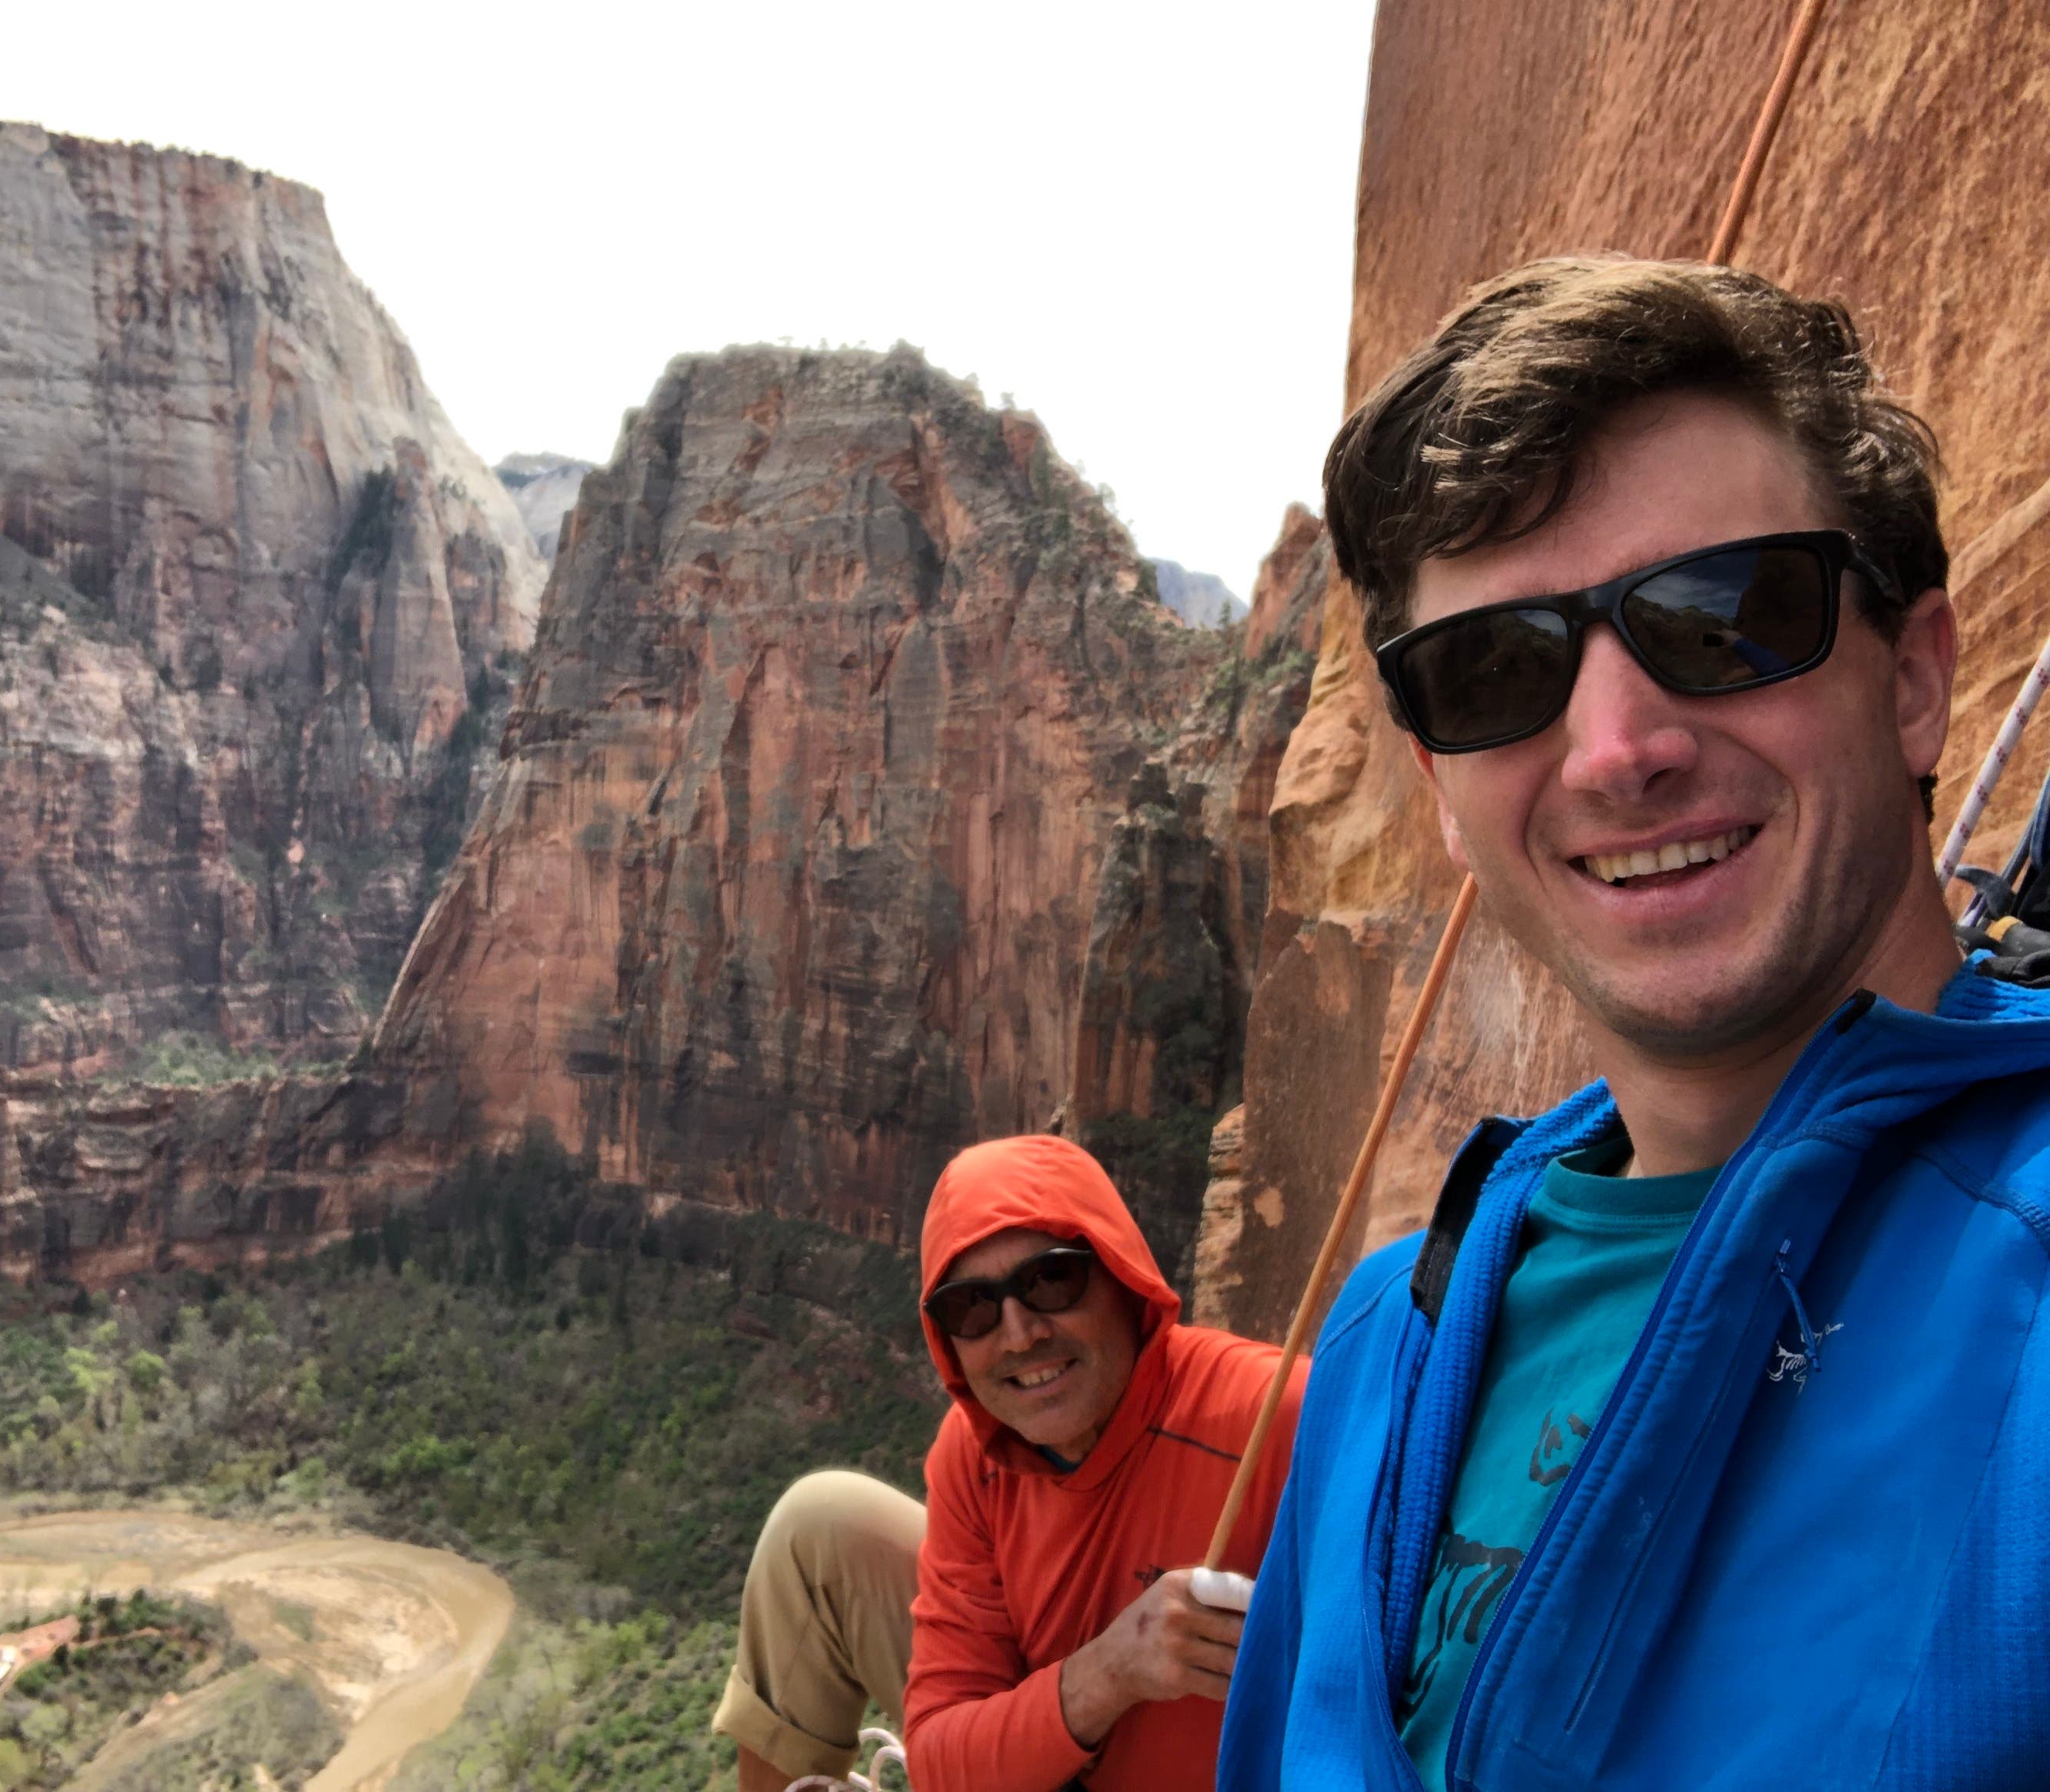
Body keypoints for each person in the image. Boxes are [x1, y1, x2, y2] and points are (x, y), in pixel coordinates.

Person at [1217, 254, 2050, 1791]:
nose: (1615, 748)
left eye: (1723, 614)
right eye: (1490, 669)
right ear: (1442, 807)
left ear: (1916, 678)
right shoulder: (1380, 1343)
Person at [712, 1132, 1306, 1790]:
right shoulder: (976, 1451)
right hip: (1052, 1754)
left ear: (1121, 1278)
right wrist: (1112, 1670)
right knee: (820, 1525)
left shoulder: (1273, 1420)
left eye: (1053, 1279)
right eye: (972, 1308)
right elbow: (939, 1757)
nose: (1020, 1335)